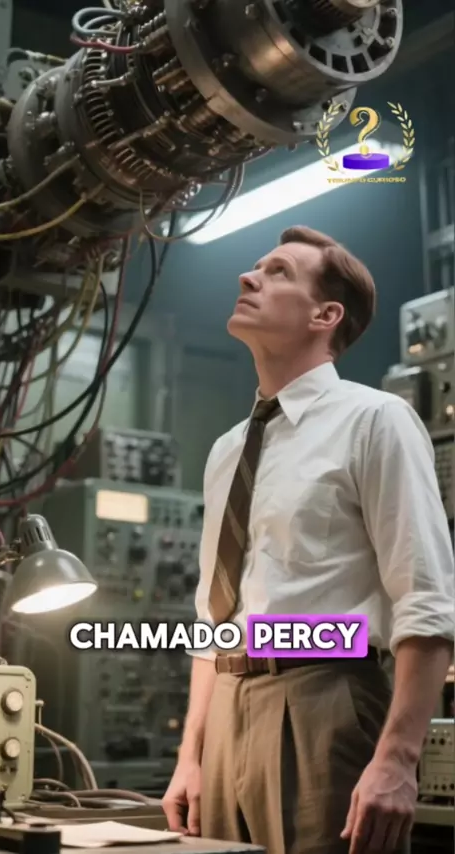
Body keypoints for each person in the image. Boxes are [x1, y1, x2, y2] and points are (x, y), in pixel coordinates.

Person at [162, 226, 454, 854]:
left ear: (326, 316)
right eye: (256, 267)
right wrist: (192, 755)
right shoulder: (228, 450)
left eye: (278, 272)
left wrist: (398, 759)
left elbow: (426, 600)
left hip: (325, 703)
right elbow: (213, 619)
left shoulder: (375, 420)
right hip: (228, 709)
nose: (248, 278)